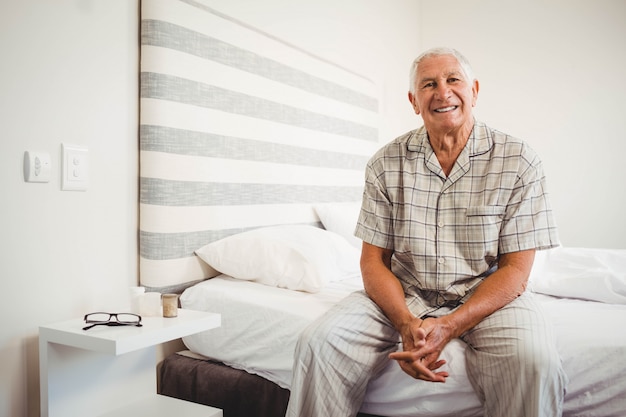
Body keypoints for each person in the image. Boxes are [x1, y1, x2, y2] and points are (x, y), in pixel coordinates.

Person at [286, 47, 567, 417]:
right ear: (414, 101)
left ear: (475, 90)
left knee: (534, 362)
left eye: (453, 80)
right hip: (406, 291)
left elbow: (516, 270)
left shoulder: (519, 160)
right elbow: (373, 261)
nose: (443, 92)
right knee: (318, 343)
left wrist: (448, 325)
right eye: (429, 84)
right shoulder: (385, 162)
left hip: (487, 294)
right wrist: (406, 322)